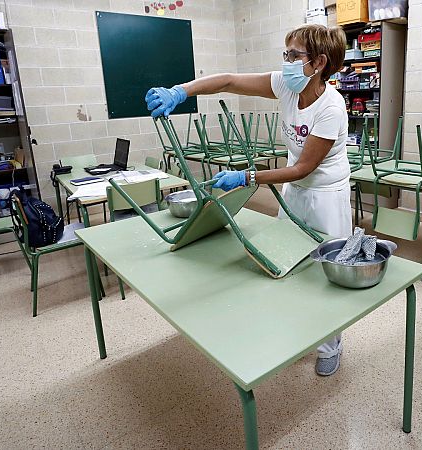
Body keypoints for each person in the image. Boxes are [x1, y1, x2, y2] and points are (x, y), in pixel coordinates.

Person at [145, 24, 350, 376]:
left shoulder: (331, 108)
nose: (285, 62)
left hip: (325, 196)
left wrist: (247, 176)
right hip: (295, 193)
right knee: (289, 261)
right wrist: (180, 91)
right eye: (285, 54)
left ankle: (331, 344)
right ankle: (297, 329)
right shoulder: (288, 85)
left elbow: (302, 168)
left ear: (318, 62)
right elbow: (228, 80)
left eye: (294, 55)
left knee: (323, 273)